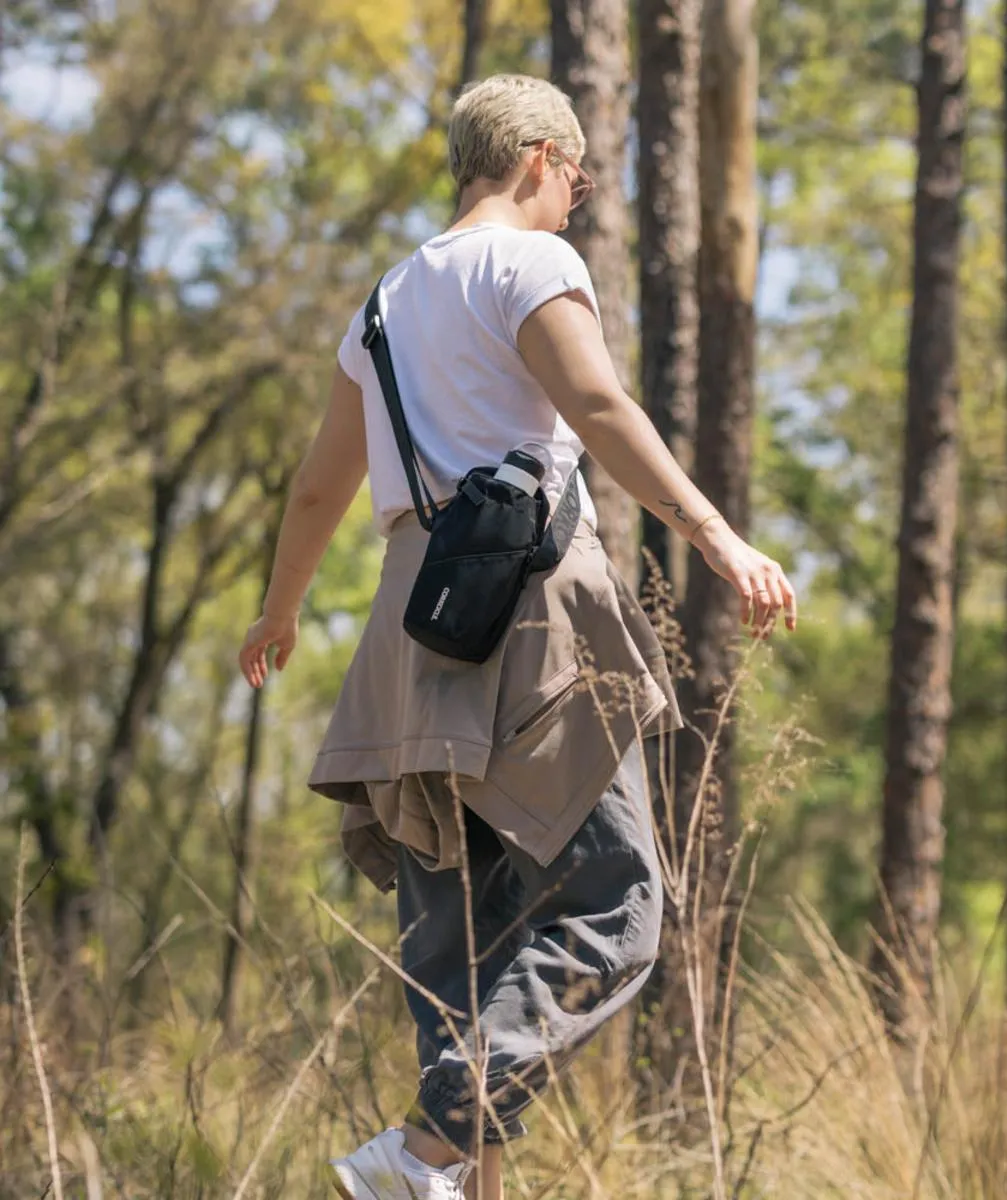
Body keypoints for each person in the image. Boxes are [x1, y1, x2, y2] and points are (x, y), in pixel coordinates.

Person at [237, 74, 795, 1200]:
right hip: (534, 608)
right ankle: (425, 1155)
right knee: (618, 909)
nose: (576, 204)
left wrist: (281, 609)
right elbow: (597, 410)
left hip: (413, 629)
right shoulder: (533, 265)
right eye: (578, 182)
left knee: (461, 959)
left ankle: (435, 1173)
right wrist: (716, 534)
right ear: (541, 157)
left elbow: (315, 492)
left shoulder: (382, 306)